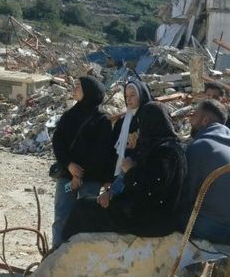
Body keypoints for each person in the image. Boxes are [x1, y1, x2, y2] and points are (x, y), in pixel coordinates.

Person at [63, 102, 186, 239]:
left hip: (151, 221)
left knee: (83, 209)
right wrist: (113, 195)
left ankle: (63, 252)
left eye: (142, 125)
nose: (140, 130)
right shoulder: (168, 147)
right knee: (88, 205)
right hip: (150, 215)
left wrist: (130, 171)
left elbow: (152, 188)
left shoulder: (165, 152)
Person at [50, 76, 115, 248]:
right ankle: (55, 256)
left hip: (91, 179)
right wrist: (70, 167)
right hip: (67, 176)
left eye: (79, 86)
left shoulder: (102, 120)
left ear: (89, 92)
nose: (75, 88)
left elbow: (101, 153)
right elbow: (58, 143)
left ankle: (79, 256)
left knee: (86, 218)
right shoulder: (68, 116)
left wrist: (80, 174)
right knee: (62, 215)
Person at [181, 99, 230, 244]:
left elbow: (185, 194)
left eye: (194, 115)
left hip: (212, 228)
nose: (190, 120)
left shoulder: (201, 146)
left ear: (205, 120)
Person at [111, 77, 152, 186]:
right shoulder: (122, 122)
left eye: (132, 95)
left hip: (141, 174)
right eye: (126, 96)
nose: (128, 99)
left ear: (141, 95)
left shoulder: (151, 119)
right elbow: (114, 148)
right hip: (121, 172)